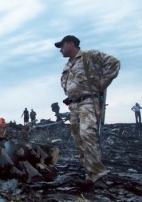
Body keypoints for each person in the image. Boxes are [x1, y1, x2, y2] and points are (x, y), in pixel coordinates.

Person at [55, 35, 120, 189]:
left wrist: (101, 85)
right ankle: (90, 174)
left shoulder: (89, 56)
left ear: (71, 44)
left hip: (88, 102)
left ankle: (99, 176)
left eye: (62, 46)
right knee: (79, 140)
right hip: (74, 105)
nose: (60, 50)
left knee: (88, 135)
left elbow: (114, 63)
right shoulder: (68, 65)